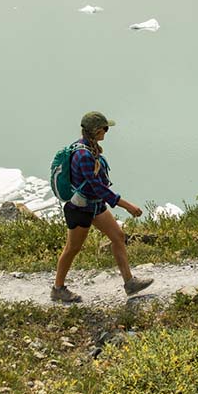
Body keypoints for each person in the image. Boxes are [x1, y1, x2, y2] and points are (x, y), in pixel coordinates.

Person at [51, 111, 153, 303]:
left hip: (95, 206)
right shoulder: (83, 155)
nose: (107, 132)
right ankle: (58, 288)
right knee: (73, 248)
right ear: (97, 131)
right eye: (105, 129)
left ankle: (129, 283)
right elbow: (97, 187)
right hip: (81, 209)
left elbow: (97, 189)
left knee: (118, 236)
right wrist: (126, 205)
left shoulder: (88, 147)